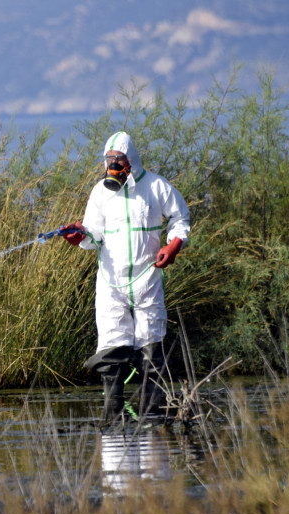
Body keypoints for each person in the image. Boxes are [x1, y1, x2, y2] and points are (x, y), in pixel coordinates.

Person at [62, 131, 190, 423]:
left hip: (148, 280)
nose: (113, 168)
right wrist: (79, 236)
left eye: (118, 161)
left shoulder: (156, 187)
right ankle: (114, 418)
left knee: (151, 348)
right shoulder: (100, 192)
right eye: (109, 162)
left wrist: (174, 245)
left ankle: (154, 417)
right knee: (111, 347)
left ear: (131, 161)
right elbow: (94, 235)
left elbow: (180, 217)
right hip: (111, 282)